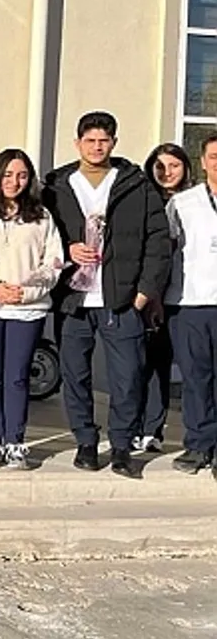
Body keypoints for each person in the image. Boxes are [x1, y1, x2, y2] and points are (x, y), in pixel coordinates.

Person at [43, 111, 169, 479]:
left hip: (122, 299)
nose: (97, 147)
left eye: (104, 141)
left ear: (114, 142)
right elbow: (42, 235)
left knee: (127, 377)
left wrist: (145, 291)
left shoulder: (135, 184)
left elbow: (157, 240)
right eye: (90, 140)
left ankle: (122, 447)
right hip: (73, 300)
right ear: (77, 143)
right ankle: (85, 442)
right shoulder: (57, 185)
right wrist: (67, 250)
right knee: (75, 375)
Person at [0, 150, 65, 470]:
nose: (14, 181)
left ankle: (15, 441)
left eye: (21, 175)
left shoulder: (42, 216)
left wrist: (28, 291)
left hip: (27, 309)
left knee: (17, 378)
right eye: (7, 174)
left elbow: (53, 262)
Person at [163, 134, 217, 478]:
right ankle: (199, 445)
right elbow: (165, 251)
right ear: (203, 161)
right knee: (196, 378)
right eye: (214, 156)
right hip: (190, 302)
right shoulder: (182, 203)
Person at [140, 143, 191, 454]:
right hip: (150, 294)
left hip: (187, 296)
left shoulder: (196, 202)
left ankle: (158, 429)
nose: (167, 172)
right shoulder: (144, 201)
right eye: (160, 166)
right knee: (145, 363)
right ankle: (143, 427)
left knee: (176, 365)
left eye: (174, 165)